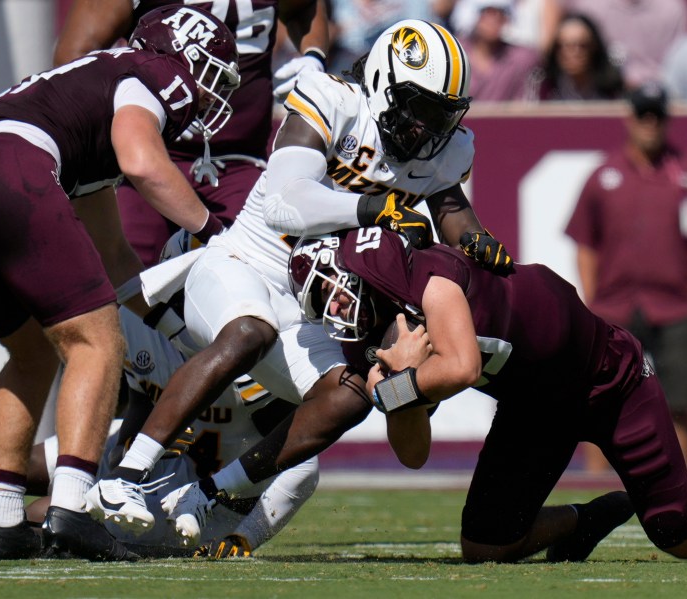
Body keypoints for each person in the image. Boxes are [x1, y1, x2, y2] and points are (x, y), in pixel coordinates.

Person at [82, 18, 514, 544]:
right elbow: (287, 203)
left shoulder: (443, 151)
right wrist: (374, 206)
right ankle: (127, 477)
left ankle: (213, 493)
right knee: (249, 331)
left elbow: (452, 208)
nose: (424, 129)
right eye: (416, 109)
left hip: (305, 307)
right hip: (242, 266)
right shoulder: (332, 101)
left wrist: (477, 240)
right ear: (381, 81)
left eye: (438, 116)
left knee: (355, 393)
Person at [167, 225, 687, 564]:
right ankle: (585, 522)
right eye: (322, 304)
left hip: (608, 380)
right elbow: (414, 452)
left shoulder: (428, 272)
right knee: (485, 547)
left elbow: (461, 365)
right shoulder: (383, 339)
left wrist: (397, 388)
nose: (338, 308)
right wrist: (402, 396)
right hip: (535, 404)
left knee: (676, 535)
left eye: (337, 288)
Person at [0, 4, 241, 561]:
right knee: (96, 343)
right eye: (212, 73)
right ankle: (70, 511)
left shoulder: (92, 96)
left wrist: (175, 334)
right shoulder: (151, 72)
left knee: (33, 353)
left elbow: (116, 262)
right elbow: (142, 161)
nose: (212, 93)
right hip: (15, 165)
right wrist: (215, 232)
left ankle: (1, 524)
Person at [0, 293, 319, 558]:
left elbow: (303, 463)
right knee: (5, 473)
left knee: (47, 515)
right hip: (145, 456)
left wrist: (244, 537)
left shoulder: (251, 342)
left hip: (191, 495)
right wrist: (126, 452)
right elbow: (141, 393)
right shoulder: (138, 316)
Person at [54, 0, 331, 268]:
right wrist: (129, 116)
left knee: (262, 267)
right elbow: (74, 57)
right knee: (126, 272)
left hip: (240, 160)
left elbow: (303, 6)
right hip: (146, 161)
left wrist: (313, 56)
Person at [565, 82, 687, 471]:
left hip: (674, 304)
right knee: (601, 402)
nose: (650, 123)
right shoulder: (603, 175)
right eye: (643, 114)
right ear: (630, 118)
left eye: (657, 115)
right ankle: (597, 492)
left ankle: (684, 495)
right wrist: (593, 300)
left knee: (678, 403)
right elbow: (585, 241)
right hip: (615, 304)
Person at [567, 0, 687, 90]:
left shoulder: (673, 7)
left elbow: (679, 64)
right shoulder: (589, 6)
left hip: (658, 96)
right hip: (603, 94)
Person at [456, 0, 541, 102]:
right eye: (487, 11)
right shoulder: (455, 54)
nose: (495, 18)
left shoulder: (523, 59)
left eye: (501, 12)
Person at [533, 12, 624, 101]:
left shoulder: (610, 90)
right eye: (565, 46)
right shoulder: (544, 88)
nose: (574, 52)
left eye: (582, 45)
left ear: (594, 48)